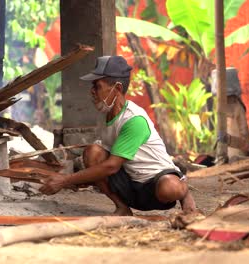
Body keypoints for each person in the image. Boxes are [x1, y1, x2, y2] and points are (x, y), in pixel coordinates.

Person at [39, 55, 197, 216]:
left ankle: (184, 191)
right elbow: (103, 161)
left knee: (170, 188)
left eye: (97, 86)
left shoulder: (134, 119)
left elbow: (112, 166)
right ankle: (122, 207)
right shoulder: (109, 114)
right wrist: (83, 178)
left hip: (154, 186)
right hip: (130, 184)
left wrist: (65, 180)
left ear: (117, 88)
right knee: (93, 151)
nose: (92, 91)